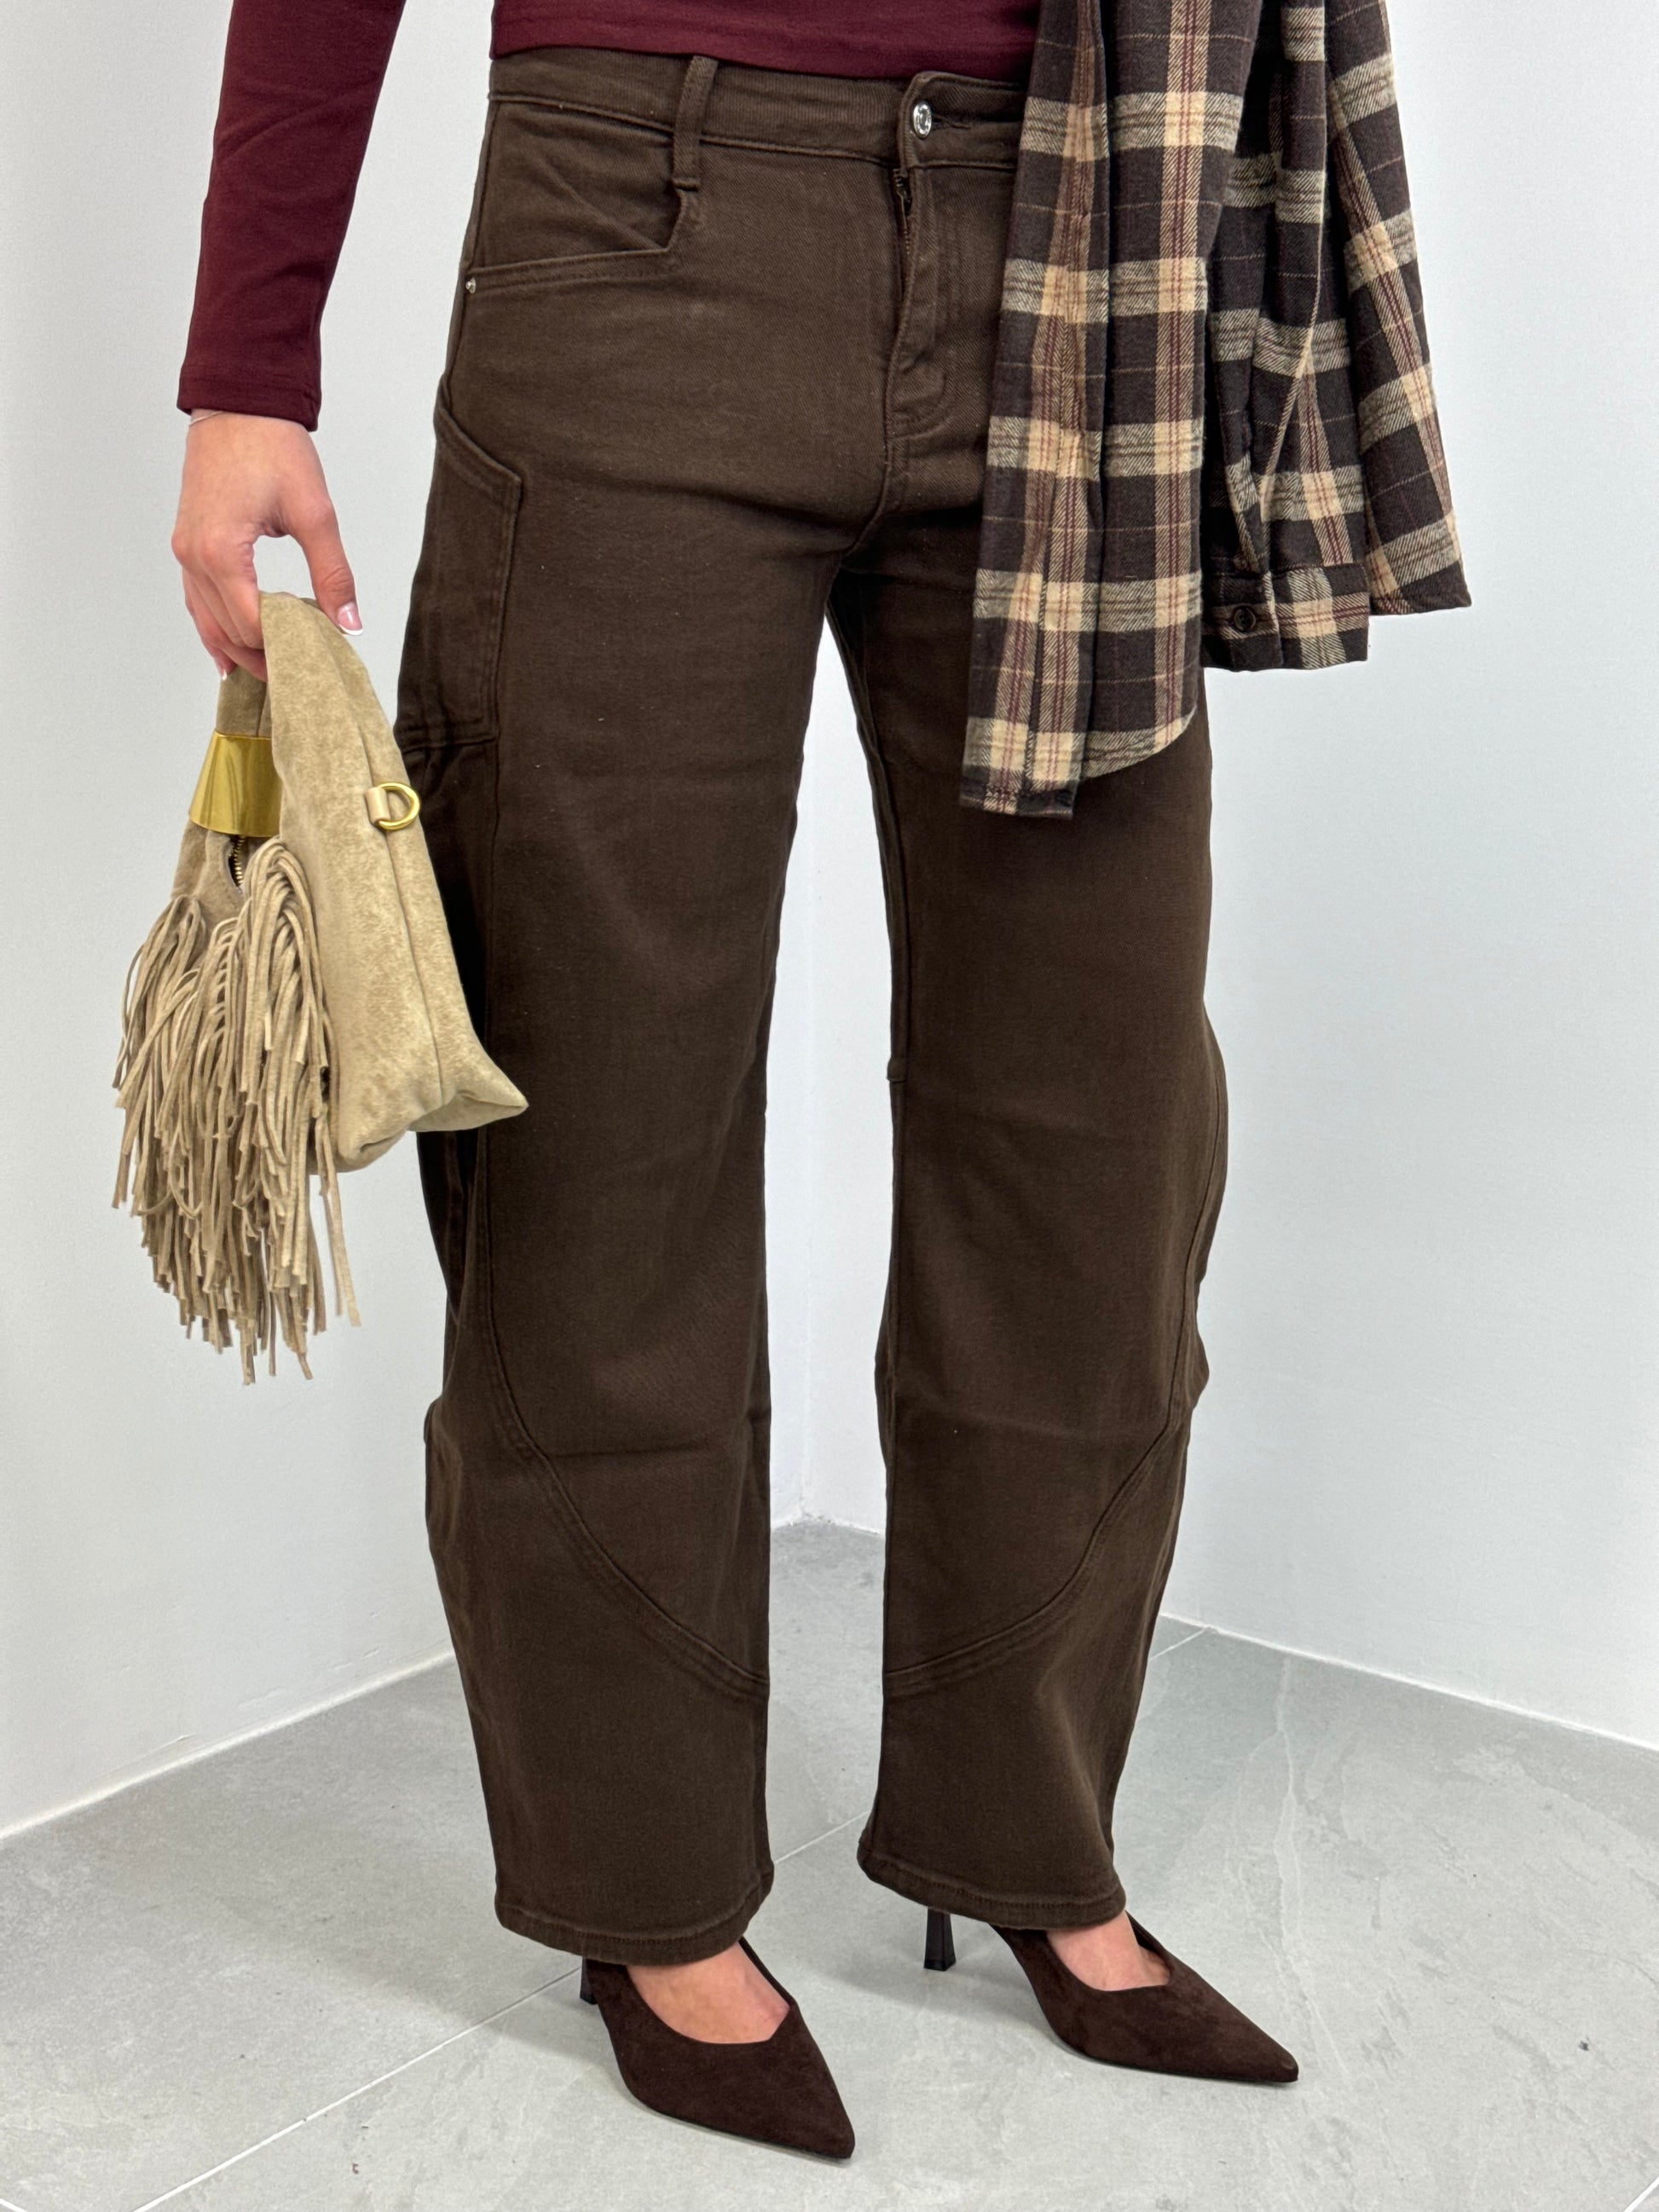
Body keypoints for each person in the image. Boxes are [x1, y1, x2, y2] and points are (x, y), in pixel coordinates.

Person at [171, 0, 1467, 2159]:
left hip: (1076, 244)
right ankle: (650, 1898)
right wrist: (248, 364)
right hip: (634, 221)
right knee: (602, 1119)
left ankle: (1031, 1840)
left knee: (1092, 1128)